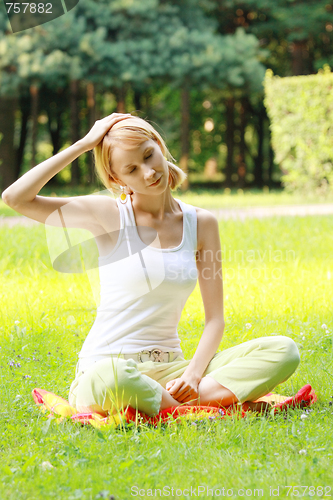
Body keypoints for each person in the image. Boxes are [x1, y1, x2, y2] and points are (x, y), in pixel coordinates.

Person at [1, 112, 301, 418]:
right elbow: (15, 198)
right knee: (108, 377)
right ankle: (195, 408)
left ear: (158, 145)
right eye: (132, 169)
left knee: (283, 350)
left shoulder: (201, 223)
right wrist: (84, 144)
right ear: (118, 179)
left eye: (148, 155)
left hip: (172, 369)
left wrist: (192, 377)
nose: (148, 172)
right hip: (109, 366)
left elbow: (215, 320)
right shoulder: (109, 215)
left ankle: (172, 404)